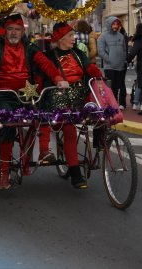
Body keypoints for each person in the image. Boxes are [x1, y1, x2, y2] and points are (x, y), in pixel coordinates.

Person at [0, 14, 68, 190]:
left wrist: (57, 79)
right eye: (10, 29)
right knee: (8, 124)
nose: (13, 33)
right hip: (3, 94)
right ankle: (4, 171)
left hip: (26, 93)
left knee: (41, 116)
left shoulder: (30, 49)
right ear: (4, 32)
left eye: (17, 29)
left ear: (22, 31)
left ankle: (40, 152)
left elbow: (46, 64)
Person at [40, 23, 104, 188]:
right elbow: (43, 77)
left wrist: (98, 75)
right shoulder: (48, 56)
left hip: (80, 94)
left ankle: (100, 139)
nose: (74, 38)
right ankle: (76, 173)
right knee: (69, 129)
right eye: (70, 36)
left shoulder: (78, 53)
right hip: (58, 95)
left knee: (102, 110)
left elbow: (89, 67)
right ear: (61, 38)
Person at [97, 17, 127, 110]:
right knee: (111, 86)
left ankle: (122, 104)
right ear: (109, 24)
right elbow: (101, 51)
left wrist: (124, 60)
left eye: (117, 24)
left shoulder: (121, 36)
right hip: (109, 66)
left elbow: (124, 50)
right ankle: (113, 104)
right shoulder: (103, 36)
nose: (115, 26)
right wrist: (109, 59)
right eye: (113, 24)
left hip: (121, 66)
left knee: (121, 85)